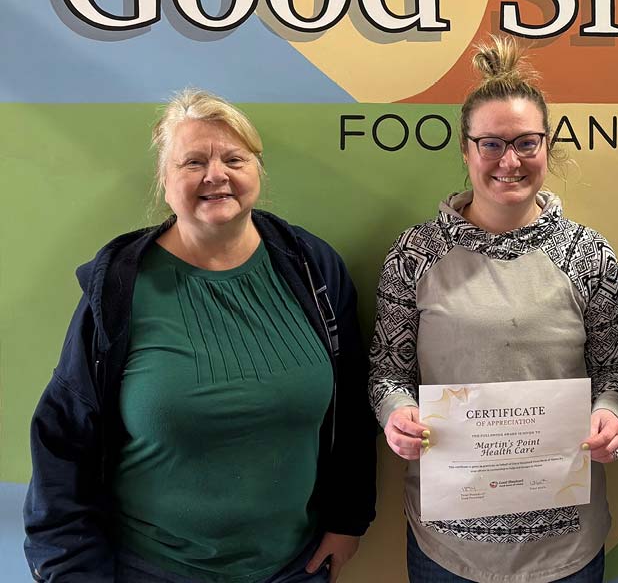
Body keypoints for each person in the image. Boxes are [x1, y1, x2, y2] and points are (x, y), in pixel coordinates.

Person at [24, 90, 376, 582]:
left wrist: (347, 519)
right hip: (151, 568)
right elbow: (62, 438)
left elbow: (352, 409)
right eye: (193, 162)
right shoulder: (120, 289)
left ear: (257, 171)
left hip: (292, 566)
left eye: (234, 158)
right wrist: (69, 569)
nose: (217, 175)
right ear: (165, 183)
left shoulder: (312, 269)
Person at [369, 36, 618, 583]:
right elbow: (386, 373)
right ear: (465, 151)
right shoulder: (415, 255)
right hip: (449, 546)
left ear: (548, 146)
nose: (509, 161)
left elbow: (613, 370)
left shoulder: (589, 255)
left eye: (526, 143)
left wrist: (611, 413)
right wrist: (394, 416)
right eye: (491, 144)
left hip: (565, 547)